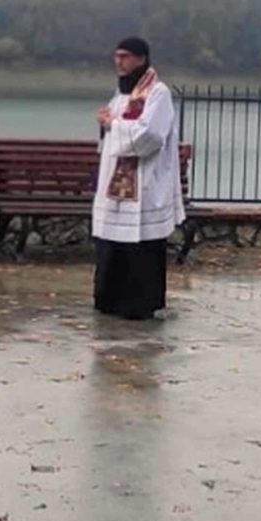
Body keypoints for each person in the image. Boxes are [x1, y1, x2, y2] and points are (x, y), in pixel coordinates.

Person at [91, 37, 184, 320]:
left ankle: (139, 304)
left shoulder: (158, 93)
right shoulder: (121, 95)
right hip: (116, 186)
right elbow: (113, 130)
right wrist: (106, 123)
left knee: (141, 247)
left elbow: (151, 136)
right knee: (113, 247)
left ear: (141, 59)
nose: (119, 62)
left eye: (125, 56)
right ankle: (109, 300)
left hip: (145, 183)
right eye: (117, 56)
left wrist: (113, 124)